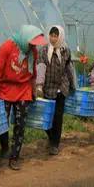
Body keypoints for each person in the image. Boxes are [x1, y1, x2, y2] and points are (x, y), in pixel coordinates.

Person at [0, 24, 47, 171]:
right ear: (24, 38)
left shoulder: (33, 52)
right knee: (2, 123)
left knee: (20, 125)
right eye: (31, 43)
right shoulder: (6, 47)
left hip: (23, 90)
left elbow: (32, 75)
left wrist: (34, 92)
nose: (33, 46)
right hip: (4, 89)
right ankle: (4, 147)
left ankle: (14, 157)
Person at [35, 25, 77, 155]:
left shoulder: (66, 51)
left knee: (58, 117)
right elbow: (41, 67)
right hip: (48, 88)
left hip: (61, 88)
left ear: (60, 37)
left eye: (56, 36)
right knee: (46, 116)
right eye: (51, 35)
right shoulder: (44, 50)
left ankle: (55, 144)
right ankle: (51, 137)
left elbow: (69, 68)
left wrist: (73, 85)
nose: (53, 38)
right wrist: (39, 85)